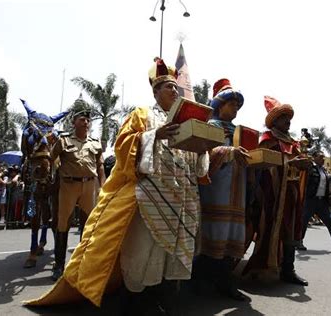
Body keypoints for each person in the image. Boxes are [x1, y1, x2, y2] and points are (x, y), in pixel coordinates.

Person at [26, 58, 209, 310]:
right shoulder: (142, 114)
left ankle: (159, 297)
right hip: (150, 197)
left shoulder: (185, 121)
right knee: (143, 252)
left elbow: (195, 162)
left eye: (175, 88)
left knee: (169, 254)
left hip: (180, 198)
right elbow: (123, 146)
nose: (174, 91)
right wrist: (153, 135)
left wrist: (201, 149)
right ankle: (135, 299)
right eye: (168, 87)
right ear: (155, 91)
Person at [243, 96, 310, 286]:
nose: (289, 122)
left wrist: (304, 165)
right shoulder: (267, 139)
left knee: (291, 229)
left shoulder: (293, 142)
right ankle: (262, 265)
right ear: (274, 121)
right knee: (269, 228)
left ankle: (288, 270)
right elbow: (263, 166)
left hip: (291, 193)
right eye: (284, 118)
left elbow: (297, 164)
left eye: (289, 118)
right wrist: (290, 163)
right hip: (272, 193)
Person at [192, 78, 249, 301]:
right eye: (231, 104)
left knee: (230, 235)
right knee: (212, 233)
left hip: (237, 189)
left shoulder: (240, 131)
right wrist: (228, 152)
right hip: (215, 189)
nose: (235, 108)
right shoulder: (210, 126)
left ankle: (224, 281)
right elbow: (202, 153)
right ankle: (201, 280)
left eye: (237, 105)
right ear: (219, 105)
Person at [50, 109, 105, 280]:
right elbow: (51, 159)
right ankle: (59, 265)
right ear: (74, 123)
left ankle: (83, 263)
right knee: (63, 224)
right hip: (68, 185)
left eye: (88, 120)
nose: (86, 122)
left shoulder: (95, 142)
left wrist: (103, 186)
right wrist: (55, 177)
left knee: (88, 225)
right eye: (82, 119)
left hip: (89, 185)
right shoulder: (63, 140)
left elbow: (100, 165)